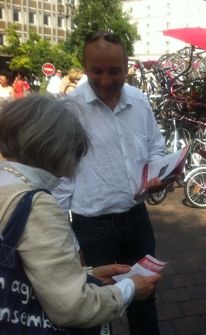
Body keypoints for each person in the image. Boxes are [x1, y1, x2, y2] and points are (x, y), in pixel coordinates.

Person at [0, 95, 161, 332]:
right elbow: (73, 307)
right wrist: (130, 289)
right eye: (78, 152)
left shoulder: (8, 184)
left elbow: (35, 268)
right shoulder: (38, 206)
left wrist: (88, 276)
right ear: (56, 149)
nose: (79, 163)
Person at [53, 31, 166, 335]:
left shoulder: (140, 101)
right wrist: (68, 241)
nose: (105, 80)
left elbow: (155, 147)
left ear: (127, 65)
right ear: (84, 65)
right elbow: (62, 179)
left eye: (114, 71)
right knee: (95, 308)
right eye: (96, 71)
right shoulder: (70, 109)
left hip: (136, 218)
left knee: (145, 296)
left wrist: (158, 175)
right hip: (92, 226)